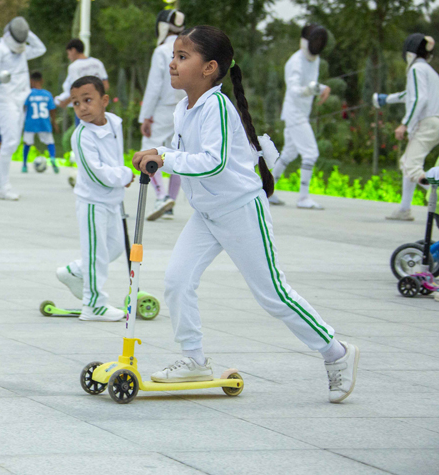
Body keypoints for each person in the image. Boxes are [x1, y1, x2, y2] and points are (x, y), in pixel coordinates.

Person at [132, 25, 357, 403]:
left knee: (273, 295)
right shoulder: (184, 108)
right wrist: (158, 152)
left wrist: (166, 157)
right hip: (206, 214)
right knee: (176, 280)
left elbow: (213, 162)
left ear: (210, 68)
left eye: (182, 57)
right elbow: (184, 152)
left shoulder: (217, 106)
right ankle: (194, 358)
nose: (172, 63)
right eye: (173, 55)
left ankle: (337, 352)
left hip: (240, 211)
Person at [54, 76, 133, 321]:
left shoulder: (115, 124)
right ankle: (93, 304)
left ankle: (73, 271)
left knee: (115, 248)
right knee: (96, 253)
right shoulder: (82, 137)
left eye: (88, 100)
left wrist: (121, 177)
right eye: (76, 103)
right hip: (92, 202)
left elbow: (114, 158)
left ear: (104, 100)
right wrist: (126, 174)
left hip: (112, 201)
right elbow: (96, 174)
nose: (82, 108)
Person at [0, 17, 46, 200]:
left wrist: (25, 30)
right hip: (5, 100)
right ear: (8, 36)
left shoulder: (22, 49)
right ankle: (4, 187)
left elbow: (41, 48)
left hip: (20, 101)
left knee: (14, 143)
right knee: (9, 142)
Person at [269, 24, 331, 210]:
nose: (318, 44)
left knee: (289, 152)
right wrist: (314, 89)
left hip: (301, 112)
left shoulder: (315, 59)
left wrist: (319, 88)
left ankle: (266, 191)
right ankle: (303, 198)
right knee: (311, 152)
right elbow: (295, 90)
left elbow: (310, 84)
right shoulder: (294, 62)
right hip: (294, 113)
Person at [378, 34, 439, 221]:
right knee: (409, 163)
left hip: (426, 123)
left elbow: (419, 99)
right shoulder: (428, 71)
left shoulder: (415, 69)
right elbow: (409, 94)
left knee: (410, 166)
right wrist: (385, 99)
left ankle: (436, 193)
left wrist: (404, 124)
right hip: (434, 122)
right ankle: (404, 209)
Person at [139, 10, 187, 221]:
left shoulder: (161, 51)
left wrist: (146, 116)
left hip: (163, 108)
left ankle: (162, 196)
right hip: (185, 107)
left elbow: (154, 86)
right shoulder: (188, 49)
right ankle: (170, 204)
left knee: (148, 149)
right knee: (177, 152)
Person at [55, 38, 109, 109]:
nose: (68, 57)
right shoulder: (97, 63)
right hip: (99, 103)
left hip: (84, 106)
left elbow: (78, 89)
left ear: (73, 50)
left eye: (68, 53)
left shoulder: (74, 66)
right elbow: (106, 85)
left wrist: (65, 103)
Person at [22, 71, 59, 173]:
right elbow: (52, 109)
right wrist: (54, 122)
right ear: (42, 80)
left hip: (31, 122)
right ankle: (52, 158)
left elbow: (24, 107)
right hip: (44, 122)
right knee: (50, 142)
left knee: (27, 143)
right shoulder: (47, 94)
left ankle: (24, 164)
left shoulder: (28, 94)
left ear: (31, 81)